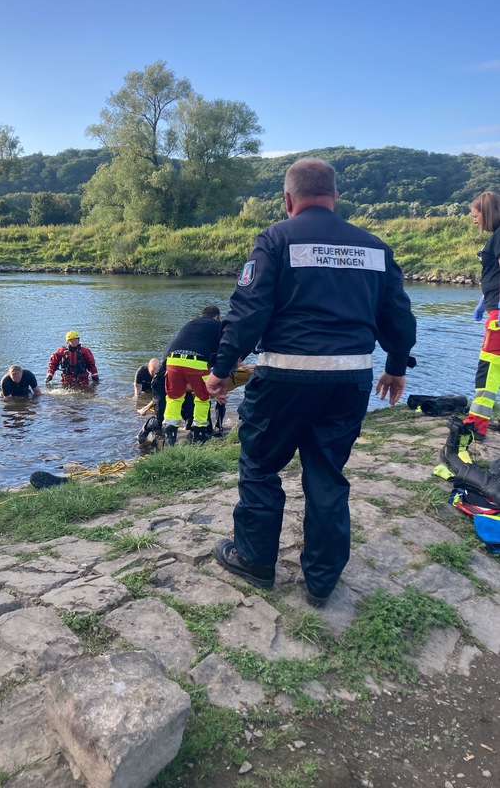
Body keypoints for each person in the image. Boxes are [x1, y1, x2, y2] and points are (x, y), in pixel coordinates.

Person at [205, 158, 416, 607]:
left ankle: (256, 560)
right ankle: (321, 580)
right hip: (349, 381)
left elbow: (248, 311)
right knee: (325, 472)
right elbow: (398, 314)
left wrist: (222, 370)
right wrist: (395, 366)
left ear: (288, 200)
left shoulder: (276, 239)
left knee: (261, 467)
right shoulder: (374, 247)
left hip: (284, 376)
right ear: (336, 197)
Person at [462, 192, 500, 440]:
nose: (474, 221)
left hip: (497, 316)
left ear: (486, 213)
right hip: (494, 305)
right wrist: (483, 300)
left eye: (475, 216)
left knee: (488, 369)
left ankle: (477, 424)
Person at [163, 306, 222, 445]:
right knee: (203, 397)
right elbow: (222, 350)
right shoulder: (218, 325)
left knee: (174, 397)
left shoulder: (191, 323)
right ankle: (199, 432)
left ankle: (170, 434)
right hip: (197, 362)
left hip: (172, 360)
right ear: (217, 317)